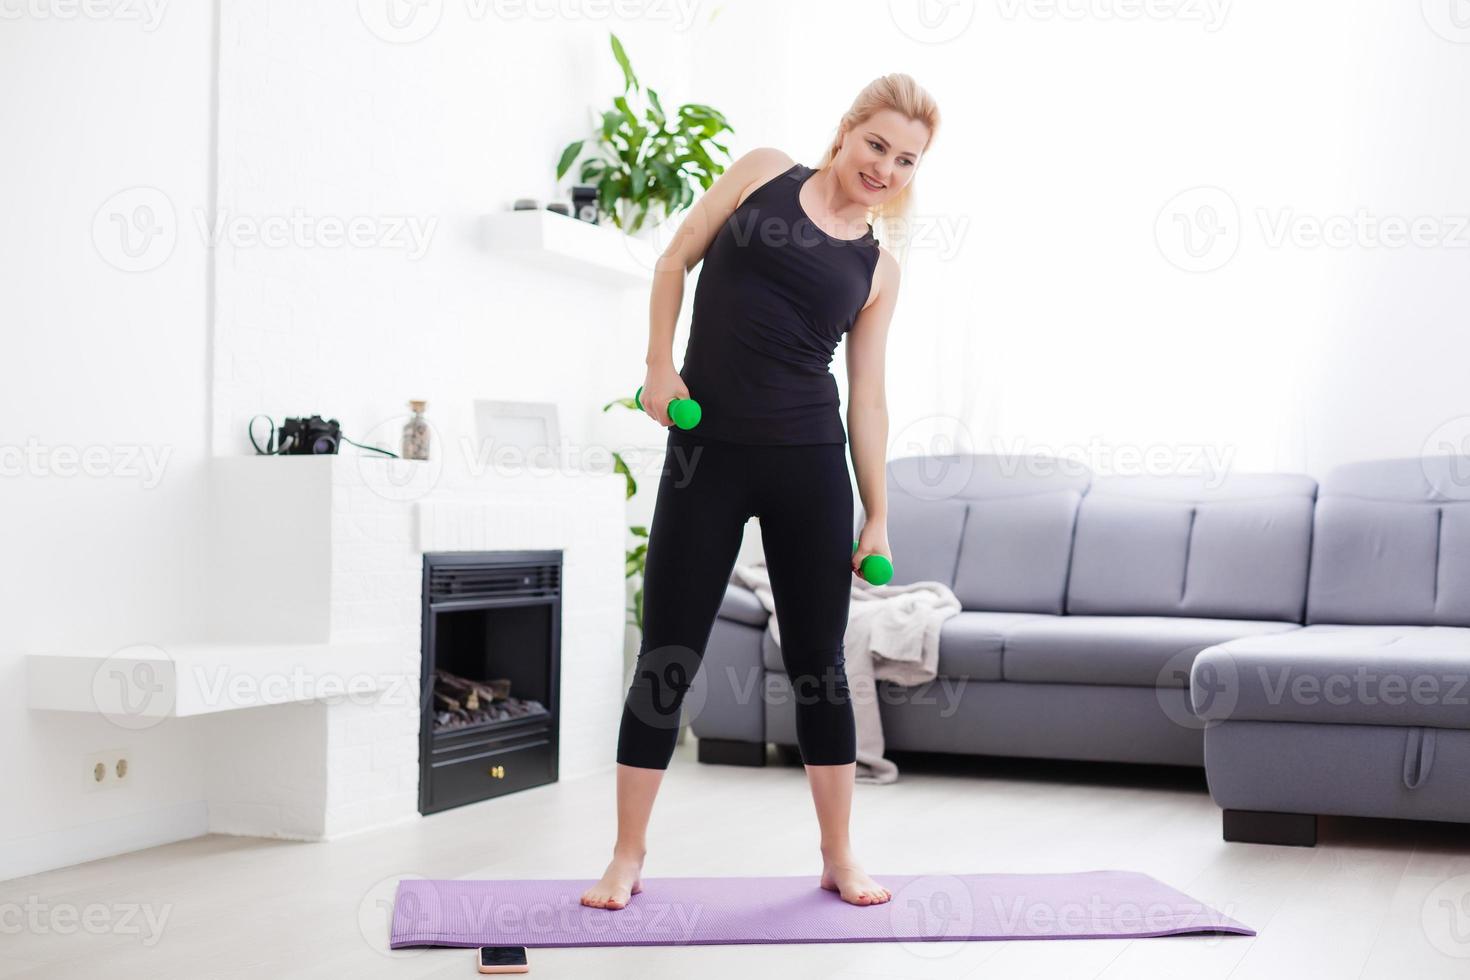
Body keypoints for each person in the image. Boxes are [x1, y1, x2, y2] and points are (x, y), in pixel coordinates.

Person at [582, 74, 939, 911]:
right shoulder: (762, 172)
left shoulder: (878, 268)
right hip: (706, 451)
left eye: (906, 159)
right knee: (668, 655)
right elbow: (675, 260)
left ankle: (839, 856)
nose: (885, 166)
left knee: (819, 667)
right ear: (847, 131)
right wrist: (658, 367)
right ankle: (627, 857)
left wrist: (879, 514)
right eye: (877, 144)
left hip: (807, 463)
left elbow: (870, 401)